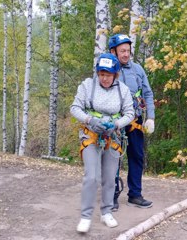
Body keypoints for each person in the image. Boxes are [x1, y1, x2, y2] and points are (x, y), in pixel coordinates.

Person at [70, 53, 134, 233]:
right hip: (91, 135)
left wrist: (116, 124)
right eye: (101, 74)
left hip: (112, 138)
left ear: (115, 75)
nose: (104, 78)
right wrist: (90, 120)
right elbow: (75, 108)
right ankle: (85, 216)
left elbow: (129, 113)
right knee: (91, 177)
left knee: (109, 178)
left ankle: (106, 212)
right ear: (97, 73)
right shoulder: (87, 86)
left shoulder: (123, 90)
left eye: (108, 74)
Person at [109, 34, 155, 211]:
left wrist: (150, 117)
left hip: (135, 120)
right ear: (113, 52)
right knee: (113, 158)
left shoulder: (137, 69)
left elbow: (148, 93)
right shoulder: (108, 70)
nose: (126, 54)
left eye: (127, 50)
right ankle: (111, 195)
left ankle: (135, 195)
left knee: (137, 156)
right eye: (122, 51)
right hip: (116, 121)